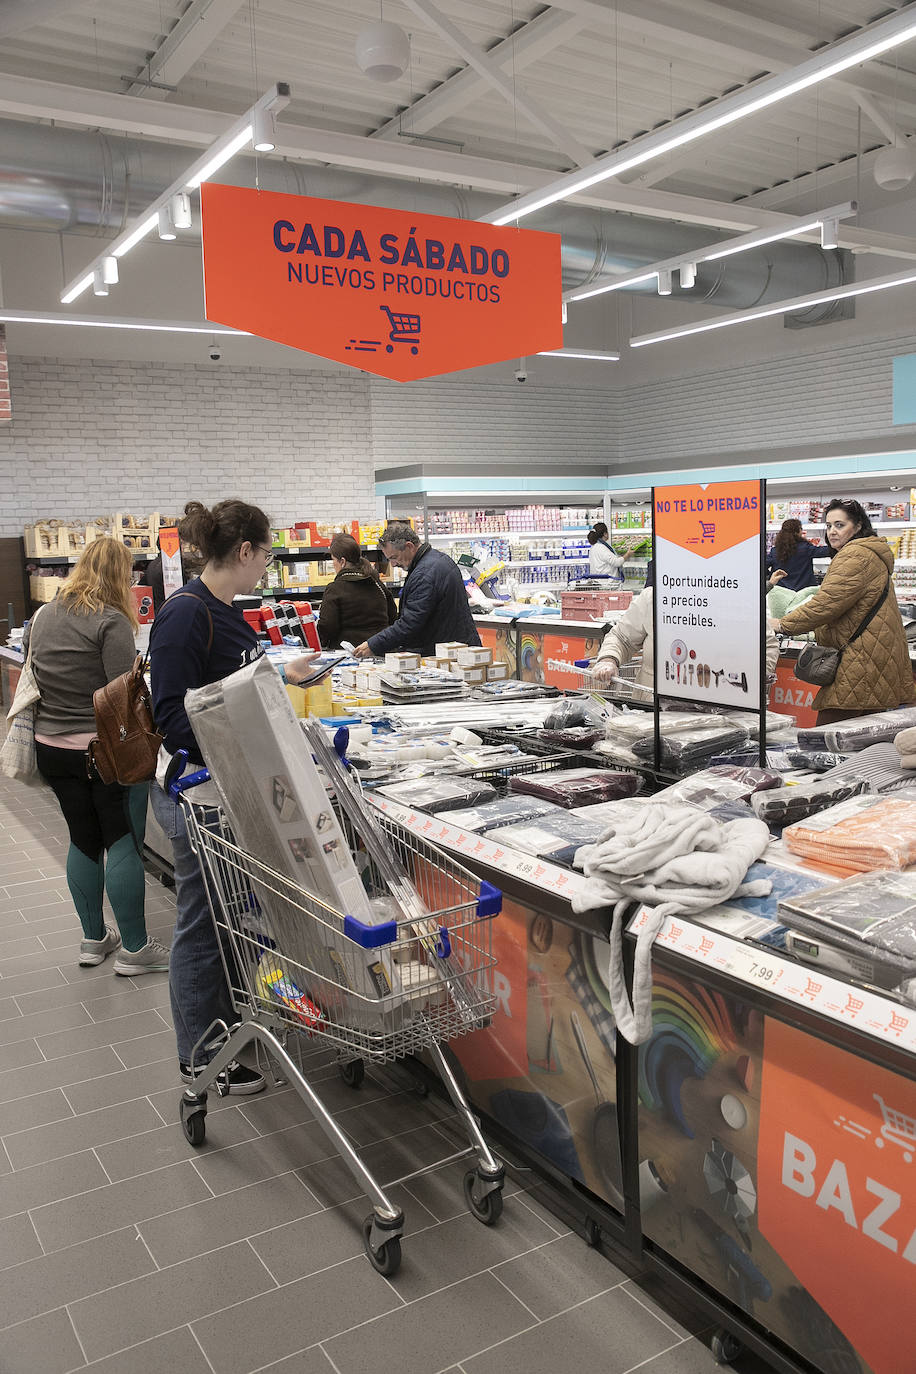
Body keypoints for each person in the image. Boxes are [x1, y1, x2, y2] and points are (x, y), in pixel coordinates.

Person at [149, 499, 314, 1094]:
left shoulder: (225, 609)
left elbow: (233, 683)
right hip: (197, 795)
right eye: (266, 553)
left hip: (232, 791)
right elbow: (171, 714)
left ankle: (230, 1028)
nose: (268, 565)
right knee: (203, 924)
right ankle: (202, 1056)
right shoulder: (185, 615)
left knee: (226, 921)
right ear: (244, 551)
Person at [23, 538, 167, 973]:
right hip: (102, 754)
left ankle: (93, 939)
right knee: (121, 840)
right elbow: (121, 697)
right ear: (120, 575)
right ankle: (136, 951)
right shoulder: (110, 621)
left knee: (82, 838)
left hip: (51, 748)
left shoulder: (44, 615)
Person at [772, 498, 915, 725]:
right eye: (828, 526)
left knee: (827, 737)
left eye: (840, 525)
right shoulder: (870, 553)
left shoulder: (855, 555)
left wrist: (782, 624)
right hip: (874, 653)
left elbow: (826, 603)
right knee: (866, 736)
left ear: (858, 526)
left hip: (860, 658)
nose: (832, 532)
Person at [591, 587, 779, 686]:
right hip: (654, 711)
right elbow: (622, 637)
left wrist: (756, 674)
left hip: (722, 715)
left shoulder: (738, 601)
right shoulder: (653, 598)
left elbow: (767, 644)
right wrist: (609, 659)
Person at [353, 521, 481, 658]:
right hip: (456, 648)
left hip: (446, 654)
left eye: (394, 557)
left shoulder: (424, 575)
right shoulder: (438, 559)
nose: (393, 564)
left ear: (409, 546)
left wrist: (373, 645)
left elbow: (410, 623)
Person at [317, 532, 397, 650]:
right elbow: (393, 616)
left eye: (333, 560)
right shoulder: (377, 584)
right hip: (380, 649)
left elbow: (327, 626)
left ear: (342, 561)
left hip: (349, 653)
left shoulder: (335, 589)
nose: (333, 564)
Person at [765, 518, 830, 593]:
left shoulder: (775, 551)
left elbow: (762, 567)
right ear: (797, 531)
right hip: (804, 591)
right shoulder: (805, 549)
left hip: (781, 592)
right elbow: (824, 551)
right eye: (801, 529)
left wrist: (770, 576)